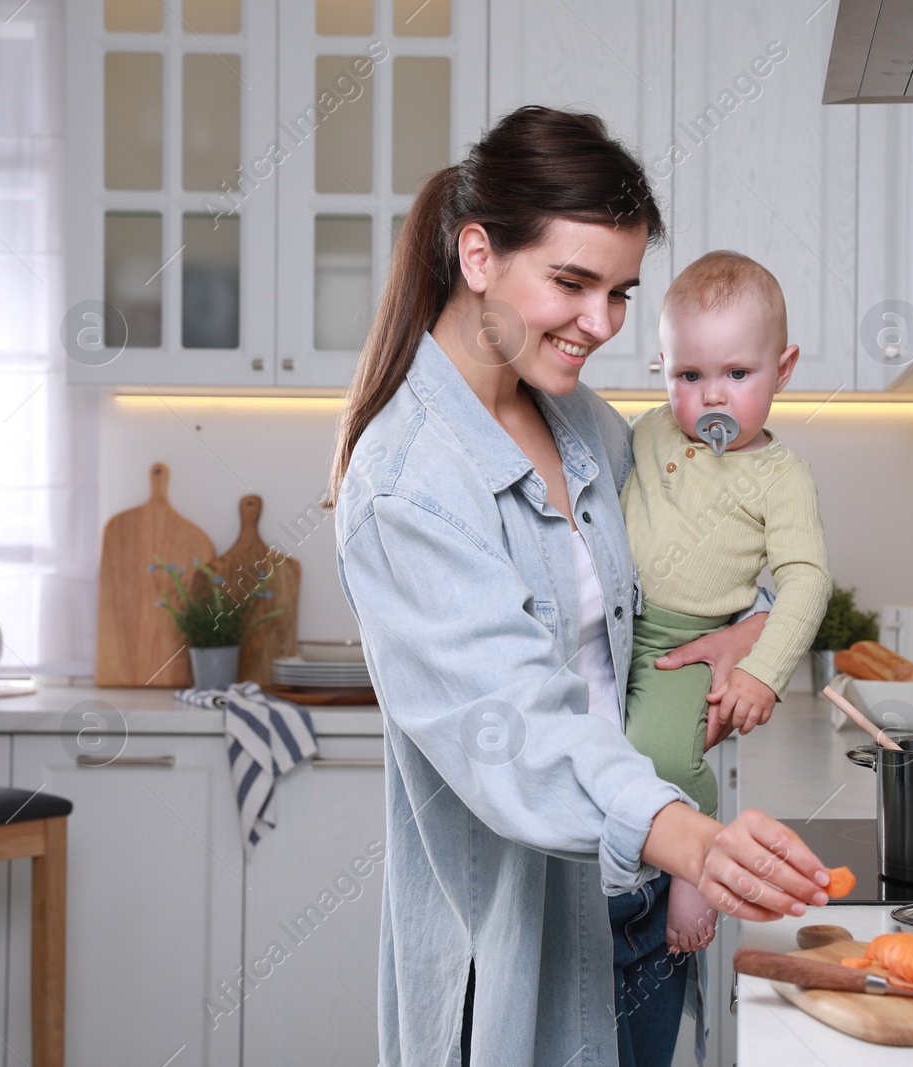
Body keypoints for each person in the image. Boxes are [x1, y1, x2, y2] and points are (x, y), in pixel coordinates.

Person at [326, 106, 831, 1067]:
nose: (601, 324)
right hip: (521, 942)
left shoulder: (587, 426)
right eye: (572, 283)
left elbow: (692, 559)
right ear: (479, 255)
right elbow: (513, 722)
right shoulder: (405, 483)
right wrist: (683, 834)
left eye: (621, 292)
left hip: (641, 900)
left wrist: (749, 624)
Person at [619, 251, 832, 953]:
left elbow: (807, 579)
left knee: (659, 757)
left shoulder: (780, 475)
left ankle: (694, 860)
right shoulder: (646, 432)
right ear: (663, 366)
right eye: (690, 375)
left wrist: (759, 668)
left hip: (684, 642)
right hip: (616, 635)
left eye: (737, 374)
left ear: (784, 368)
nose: (712, 397)